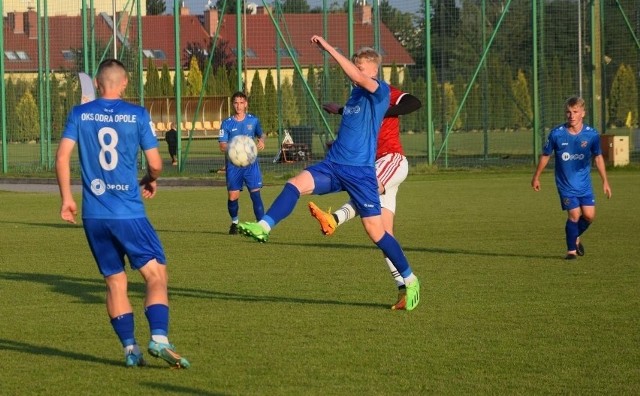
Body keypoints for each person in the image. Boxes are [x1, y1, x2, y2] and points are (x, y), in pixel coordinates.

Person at [238, 36, 421, 311]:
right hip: (334, 165)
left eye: (361, 67)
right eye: (356, 65)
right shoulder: (355, 96)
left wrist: (329, 49)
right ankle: (264, 227)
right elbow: (353, 120)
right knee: (294, 183)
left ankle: (410, 280)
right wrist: (338, 113)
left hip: (360, 174)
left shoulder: (380, 90)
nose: (356, 71)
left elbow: (358, 79)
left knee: (377, 232)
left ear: (372, 71)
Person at [55, 58, 190, 368]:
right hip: (128, 213)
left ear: (98, 85)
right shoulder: (137, 114)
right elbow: (156, 164)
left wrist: (66, 199)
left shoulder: (79, 113)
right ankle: (158, 337)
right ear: (126, 83)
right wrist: (151, 179)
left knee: (115, 282)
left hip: (93, 216)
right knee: (156, 274)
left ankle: (130, 349)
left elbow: (62, 157)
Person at [308, 86, 422, 310]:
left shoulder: (386, 91)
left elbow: (414, 103)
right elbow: (358, 123)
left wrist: (383, 111)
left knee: (366, 190)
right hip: (373, 164)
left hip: (391, 159)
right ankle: (405, 289)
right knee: (383, 235)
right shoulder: (359, 99)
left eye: (360, 68)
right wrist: (340, 114)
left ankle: (335, 219)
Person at [531, 96, 612, 260]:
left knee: (589, 216)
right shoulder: (557, 134)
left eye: (575, 112)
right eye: (568, 112)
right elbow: (546, 155)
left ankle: (574, 236)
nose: (571, 115)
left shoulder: (592, 135)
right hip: (565, 184)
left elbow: (598, 157)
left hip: (585, 185)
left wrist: (605, 181)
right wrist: (536, 177)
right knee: (574, 215)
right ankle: (571, 251)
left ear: (583, 113)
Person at [218, 91, 266, 235]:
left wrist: (262, 140)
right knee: (233, 197)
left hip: (251, 165)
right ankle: (235, 222)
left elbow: (261, 133)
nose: (239, 106)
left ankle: (262, 227)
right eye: (236, 103)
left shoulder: (253, 120)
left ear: (246, 104)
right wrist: (235, 147)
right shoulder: (226, 123)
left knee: (255, 195)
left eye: (241, 103)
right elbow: (222, 146)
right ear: (233, 105)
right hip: (233, 165)